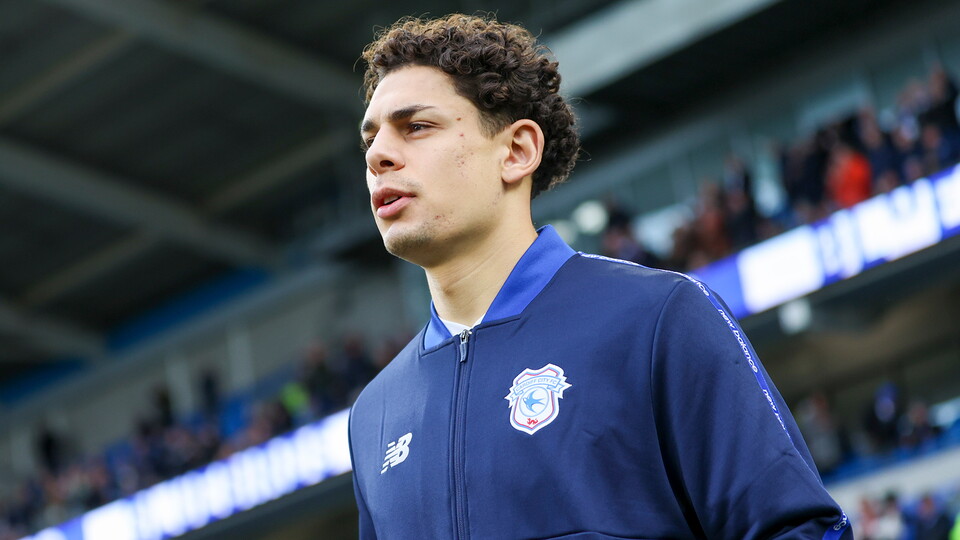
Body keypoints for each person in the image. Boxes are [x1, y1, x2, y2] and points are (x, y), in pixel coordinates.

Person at [348, 13, 850, 539]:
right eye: (370, 140)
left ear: (517, 151)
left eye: (416, 127)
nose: (378, 156)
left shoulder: (658, 318)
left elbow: (797, 529)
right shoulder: (374, 415)